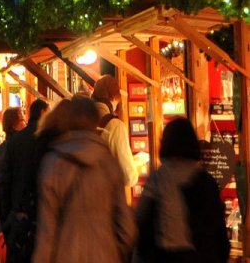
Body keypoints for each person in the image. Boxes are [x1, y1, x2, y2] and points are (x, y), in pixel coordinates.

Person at [32, 95, 136, 263]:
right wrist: (112, 249)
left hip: (66, 255)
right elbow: (126, 227)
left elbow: (47, 230)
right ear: (96, 121)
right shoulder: (109, 164)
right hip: (105, 254)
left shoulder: (53, 163)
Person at [135, 117, 229, 263]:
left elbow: (143, 224)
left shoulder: (157, 180)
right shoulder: (206, 182)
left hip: (164, 258)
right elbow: (218, 233)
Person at [0, 99, 49, 263]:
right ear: (43, 113)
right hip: (42, 224)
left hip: (18, 223)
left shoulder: (14, 143)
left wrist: (6, 223)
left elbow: (3, 186)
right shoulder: (48, 141)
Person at [91, 74, 139, 187]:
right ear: (113, 98)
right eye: (117, 103)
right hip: (103, 198)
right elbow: (129, 177)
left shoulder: (81, 120)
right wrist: (135, 165)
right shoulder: (115, 126)